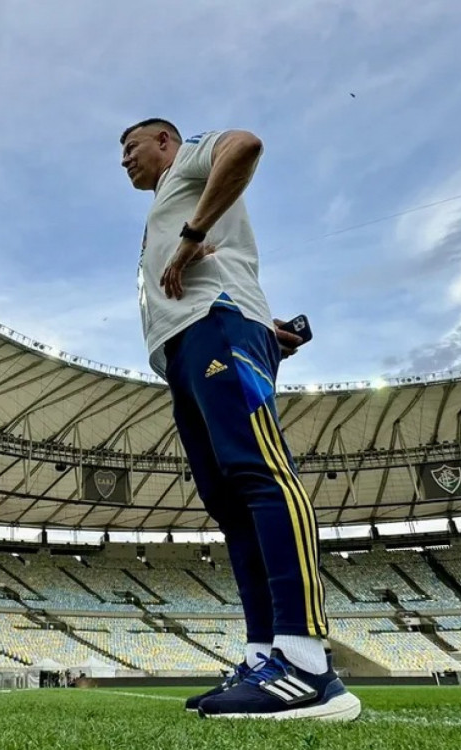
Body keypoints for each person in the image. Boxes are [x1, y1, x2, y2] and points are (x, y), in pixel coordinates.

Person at [118, 119, 360, 722]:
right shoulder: (166, 202)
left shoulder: (191, 160)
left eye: (131, 147)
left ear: (166, 144)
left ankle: (306, 662)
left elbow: (246, 145)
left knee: (260, 475)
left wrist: (192, 233)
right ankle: (263, 656)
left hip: (217, 324)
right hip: (187, 342)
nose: (124, 160)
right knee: (228, 501)